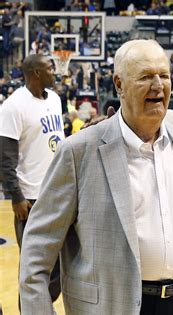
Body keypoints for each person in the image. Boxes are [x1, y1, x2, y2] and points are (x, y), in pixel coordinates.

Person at [19, 40, 173, 315]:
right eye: (145, 76)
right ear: (119, 84)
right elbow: (36, 253)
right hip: (112, 306)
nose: (158, 85)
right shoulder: (79, 152)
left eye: (164, 75)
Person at [0, 54, 64, 308]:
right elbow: (5, 159)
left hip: (58, 192)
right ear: (36, 73)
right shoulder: (13, 107)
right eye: (50, 68)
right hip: (30, 199)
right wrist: (15, 196)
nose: (55, 72)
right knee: (34, 270)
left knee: (58, 269)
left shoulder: (56, 99)